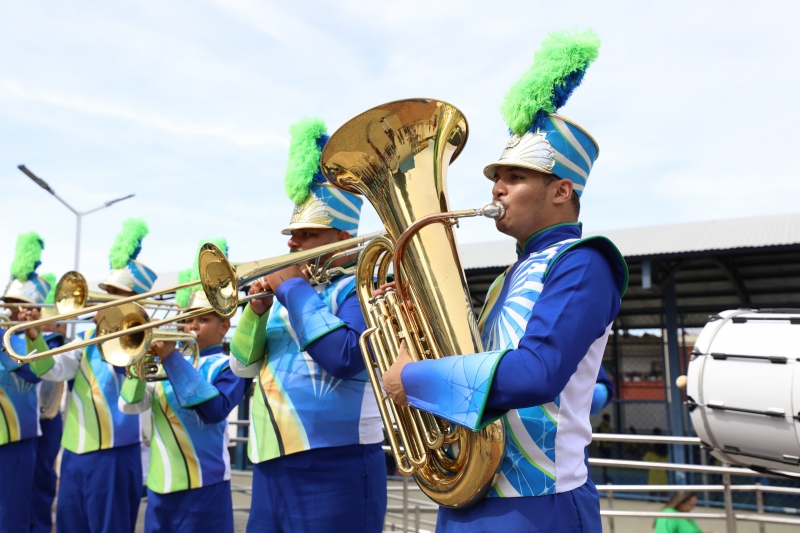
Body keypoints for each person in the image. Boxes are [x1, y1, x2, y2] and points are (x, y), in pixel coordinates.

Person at [380, 29, 628, 532]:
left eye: (515, 177)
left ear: (561, 191)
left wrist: (413, 378)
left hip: (536, 504)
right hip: (470, 492)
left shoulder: (584, 262)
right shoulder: (508, 277)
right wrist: (406, 318)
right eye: (497, 176)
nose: (497, 187)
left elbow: (537, 373)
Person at [228, 117, 386, 533]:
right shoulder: (288, 297)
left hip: (336, 464)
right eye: (292, 233)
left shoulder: (363, 286)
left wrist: (292, 288)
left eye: (306, 234)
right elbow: (242, 367)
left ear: (341, 239)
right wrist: (256, 311)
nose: (291, 243)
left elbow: (345, 357)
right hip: (270, 465)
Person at [30, 218, 155, 533]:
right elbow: (49, 369)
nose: (104, 301)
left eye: (116, 294)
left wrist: (122, 339)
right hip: (74, 455)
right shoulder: (86, 339)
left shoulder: (146, 343)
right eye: (107, 292)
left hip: (115, 455)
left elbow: (137, 396)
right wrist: (35, 337)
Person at [119, 238, 248, 533]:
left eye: (202, 319)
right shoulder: (168, 361)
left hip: (204, 485)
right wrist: (138, 361)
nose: (191, 327)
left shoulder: (229, 366)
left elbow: (214, 410)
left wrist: (171, 358)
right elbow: (129, 405)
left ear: (224, 326)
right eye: (188, 320)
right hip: (159, 486)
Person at [0, 233, 53, 533]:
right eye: (10, 303)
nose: (15, 310)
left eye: (23, 305)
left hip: (16, 438)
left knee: (11, 518)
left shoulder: (27, 340)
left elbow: (32, 372)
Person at [30, 273, 67, 533]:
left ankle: (40, 527)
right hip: (36, 418)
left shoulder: (56, 344)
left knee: (41, 478)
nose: (61, 327)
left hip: (47, 418)